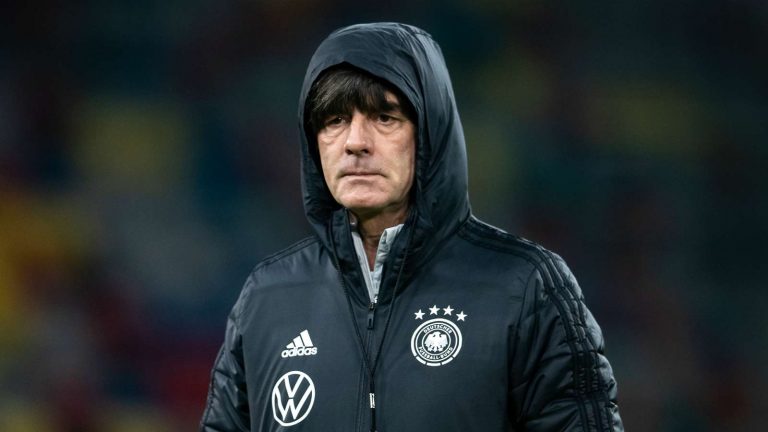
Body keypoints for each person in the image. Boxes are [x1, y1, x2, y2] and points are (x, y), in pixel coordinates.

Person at [200, 22, 623, 431]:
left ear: (431, 133)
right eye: (333, 121)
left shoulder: (525, 288)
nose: (355, 142)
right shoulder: (267, 297)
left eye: (385, 118)